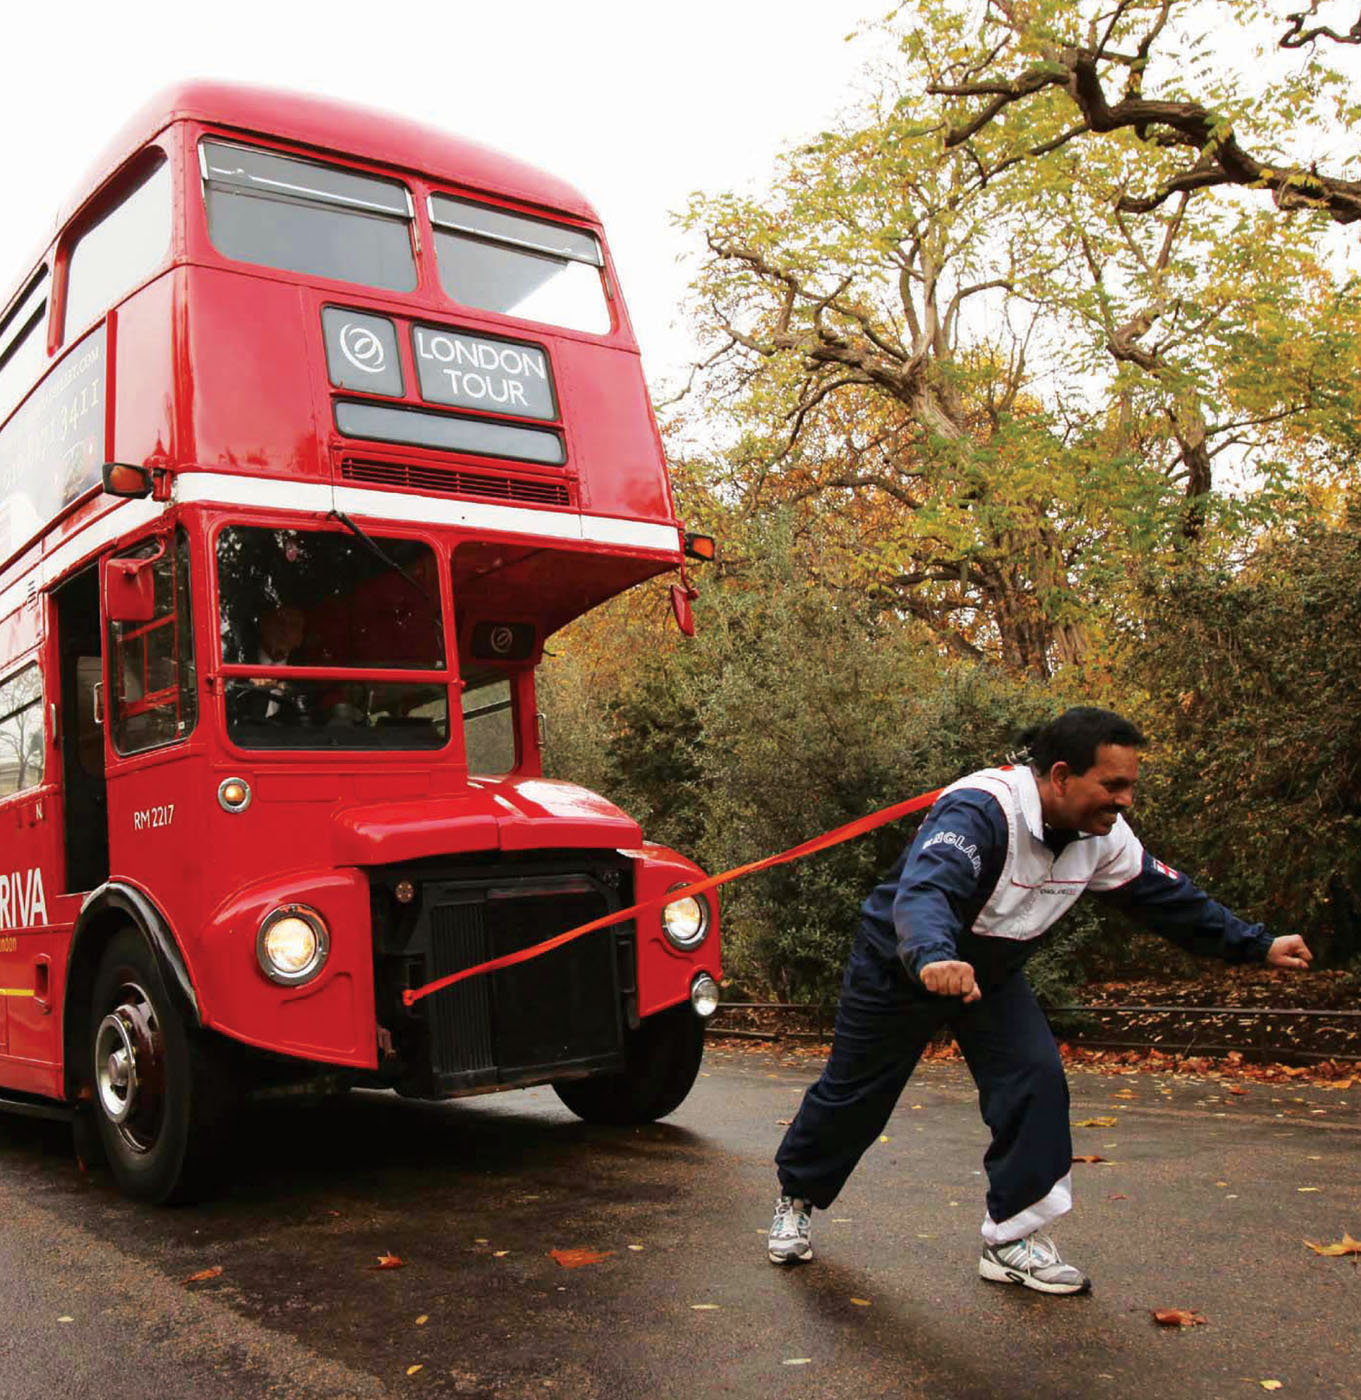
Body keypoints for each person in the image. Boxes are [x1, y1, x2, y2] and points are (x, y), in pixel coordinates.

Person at [768, 707, 1313, 1293]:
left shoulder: (1105, 838)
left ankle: (1013, 1239)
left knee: (1035, 1078)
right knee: (856, 1094)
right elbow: (927, 889)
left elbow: (1171, 900)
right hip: (903, 964)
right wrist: (931, 956)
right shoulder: (980, 811)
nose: (1125, 799)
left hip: (993, 971)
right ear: (1060, 775)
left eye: (1130, 785)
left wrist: (1258, 945)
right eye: (1113, 785)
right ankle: (797, 1196)